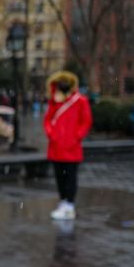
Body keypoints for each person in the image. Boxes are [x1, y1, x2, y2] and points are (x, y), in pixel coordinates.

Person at [43, 71, 92, 221]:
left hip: (72, 147)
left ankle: (69, 205)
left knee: (70, 177)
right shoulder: (54, 102)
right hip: (56, 147)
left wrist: (76, 137)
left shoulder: (80, 101)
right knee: (59, 177)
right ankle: (63, 202)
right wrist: (52, 134)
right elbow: (47, 121)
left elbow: (86, 121)